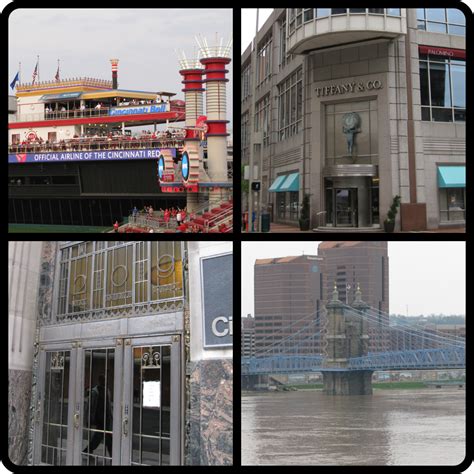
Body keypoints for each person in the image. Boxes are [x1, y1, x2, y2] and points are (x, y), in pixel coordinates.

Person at [83, 375, 113, 457]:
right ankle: (112, 455)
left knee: (99, 436)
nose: (104, 382)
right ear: (99, 381)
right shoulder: (95, 392)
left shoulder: (107, 391)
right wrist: (88, 418)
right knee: (107, 437)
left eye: (105, 380)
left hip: (105, 418)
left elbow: (108, 405)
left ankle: (87, 450)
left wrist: (110, 416)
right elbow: (89, 406)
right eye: (103, 380)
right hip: (99, 418)